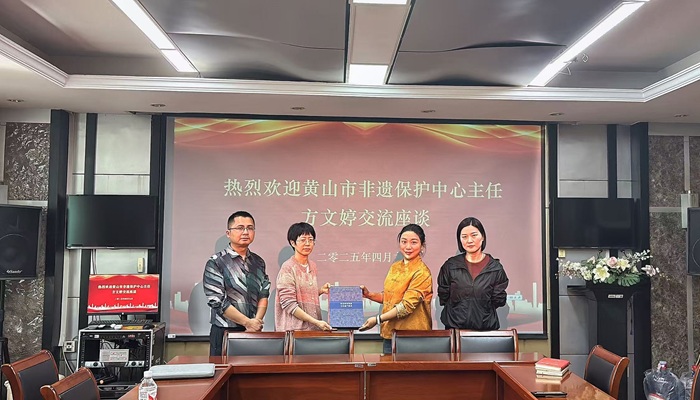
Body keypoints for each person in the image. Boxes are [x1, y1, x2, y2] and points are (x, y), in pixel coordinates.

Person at [203, 211, 271, 356]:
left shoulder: (258, 262)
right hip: (224, 331)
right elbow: (217, 301)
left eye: (250, 228)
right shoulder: (216, 262)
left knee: (251, 369)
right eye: (240, 228)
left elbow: (264, 294)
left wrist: (256, 321)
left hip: (253, 331)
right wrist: (247, 322)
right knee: (223, 370)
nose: (245, 232)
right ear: (228, 233)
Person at [359, 224, 433, 354]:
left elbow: (406, 306)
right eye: (404, 242)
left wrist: (377, 320)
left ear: (422, 246)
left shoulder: (422, 272)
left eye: (414, 242)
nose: (408, 247)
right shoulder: (395, 267)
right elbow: (390, 298)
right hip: (390, 334)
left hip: (412, 338)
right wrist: (369, 295)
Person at [437, 217, 509, 331]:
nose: (469, 240)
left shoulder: (495, 268)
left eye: (474, 235)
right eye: (464, 237)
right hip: (454, 330)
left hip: (485, 330)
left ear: (482, 237)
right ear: (459, 240)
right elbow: (443, 295)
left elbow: (499, 300)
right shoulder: (450, 266)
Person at [275, 222, 332, 331]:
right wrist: (315, 322)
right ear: (293, 243)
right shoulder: (288, 268)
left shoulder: (313, 266)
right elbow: (289, 304)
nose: (307, 244)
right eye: (303, 240)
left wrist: (320, 291)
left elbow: (301, 294)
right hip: (295, 332)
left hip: (313, 330)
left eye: (310, 240)